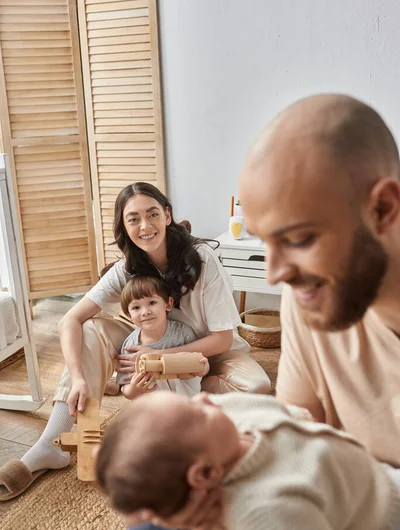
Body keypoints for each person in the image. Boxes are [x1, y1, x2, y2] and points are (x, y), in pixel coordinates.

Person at [119, 95, 400, 530]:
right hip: (341, 503)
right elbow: (293, 428)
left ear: (383, 208)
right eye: (266, 241)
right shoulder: (313, 300)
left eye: (298, 238)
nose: (275, 273)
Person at [0, 182, 270, 501]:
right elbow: (68, 319)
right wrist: (77, 379)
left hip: (210, 352)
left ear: (167, 215)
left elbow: (223, 338)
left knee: (256, 386)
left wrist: (164, 359)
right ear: (124, 227)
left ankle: (159, 398)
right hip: (146, 350)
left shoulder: (202, 259)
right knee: (90, 331)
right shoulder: (126, 269)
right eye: (133, 219)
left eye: (152, 214)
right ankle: (50, 444)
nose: (145, 226)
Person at [97, 390, 400, 530]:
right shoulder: (265, 512)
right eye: (198, 412)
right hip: (369, 529)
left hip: (379, 479)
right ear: (204, 474)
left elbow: (282, 411)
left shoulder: (226, 423)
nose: (205, 398)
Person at [117, 274, 201, 398]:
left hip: (185, 399)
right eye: (136, 307)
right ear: (128, 315)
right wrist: (134, 389)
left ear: (168, 304)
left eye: (152, 302)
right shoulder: (131, 346)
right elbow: (126, 389)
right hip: (154, 403)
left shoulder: (182, 333)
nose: (146, 312)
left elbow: (199, 367)